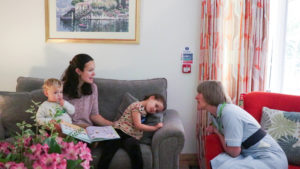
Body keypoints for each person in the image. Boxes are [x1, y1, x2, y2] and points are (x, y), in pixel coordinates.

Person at [196, 80, 288, 169]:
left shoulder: (229, 113)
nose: (196, 97)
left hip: (271, 161)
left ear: (209, 96)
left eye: (199, 93)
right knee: (217, 162)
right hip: (252, 155)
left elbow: (234, 152)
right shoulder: (217, 114)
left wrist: (217, 132)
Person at [98, 94, 167, 169]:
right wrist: (154, 127)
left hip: (130, 136)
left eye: (157, 111)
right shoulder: (137, 106)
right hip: (120, 131)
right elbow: (138, 125)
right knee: (110, 148)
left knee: (136, 152)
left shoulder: (145, 112)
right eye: (156, 105)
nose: (154, 110)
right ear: (151, 98)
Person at [61, 53, 113, 128]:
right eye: (90, 70)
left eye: (93, 70)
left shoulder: (93, 88)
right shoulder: (60, 88)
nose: (94, 74)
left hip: (88, 130)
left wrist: (113, 124)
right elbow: (56, 116)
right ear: (78, 71)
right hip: (68, 130)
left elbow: (94, 115)